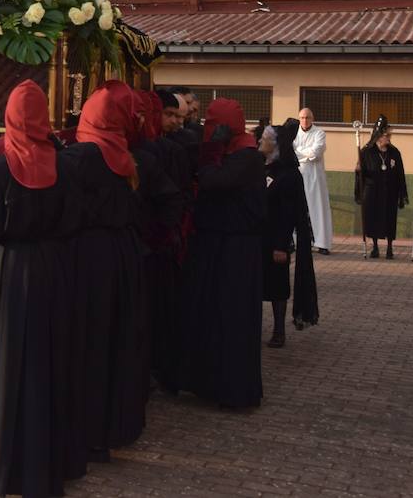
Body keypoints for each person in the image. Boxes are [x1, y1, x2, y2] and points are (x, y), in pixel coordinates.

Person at [0, 81, 86, 496]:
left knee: (10, 360)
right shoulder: (67, 164)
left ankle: (6, 465)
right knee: (51, 359)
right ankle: (50, 462)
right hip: (54, 268)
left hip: (11, 271)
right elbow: (74, 222)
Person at [70, 81, 146, 457]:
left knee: (88, 343)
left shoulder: (83, 156)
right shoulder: (124, 155)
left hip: (88, 259)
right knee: (112, 342)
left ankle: (84, 430)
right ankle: (107, 430)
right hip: (119, 256)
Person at [178, 97, 266, 409]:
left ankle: (233, 390)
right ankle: (210, 383)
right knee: (213, 316)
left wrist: (211, 152)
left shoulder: (246, 157)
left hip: (237, 251)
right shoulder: (234, 153)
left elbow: (214, 181)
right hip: (219, 246)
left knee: (233, 319)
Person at [137, 90, 190, 394]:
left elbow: (175, 198)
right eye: (169, 115)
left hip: (159, 245)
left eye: (178, 116)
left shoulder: (168, 151)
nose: (175, 122)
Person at [258, 121, 318, 349]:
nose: (259, 143)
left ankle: (279, 331)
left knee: (277, 287)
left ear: (275, 145)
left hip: (276, 240)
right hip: (258, 238)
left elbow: (288, 214)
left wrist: (281, 245)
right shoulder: (261, 168)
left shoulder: (288, 175)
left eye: (264, 140)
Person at [356, 116, 408, 260]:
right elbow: (362, 174)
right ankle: (375, 247)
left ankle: (390, 247)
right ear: (379, 136)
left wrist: (401, 192)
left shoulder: (394, 152)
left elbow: (400, 173)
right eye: (387, 135)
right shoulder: (367, 152)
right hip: (372, 191)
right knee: (372, 218)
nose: (389, 138)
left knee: (389, 218)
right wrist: (359, 170)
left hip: (390, 191)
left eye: (390, 135)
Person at [293, 108, 333, 254]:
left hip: (315, 177)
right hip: (298, 175)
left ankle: (322, 243)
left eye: (307, 117)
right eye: (302, 117)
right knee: (297, 208)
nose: (304, 120)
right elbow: (291, 152)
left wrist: (299, 153)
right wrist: (305, 153)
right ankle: (296, 241)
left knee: (317, 208)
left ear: (312, 118)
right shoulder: (294, 132)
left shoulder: (319, 133)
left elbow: (315, 153)